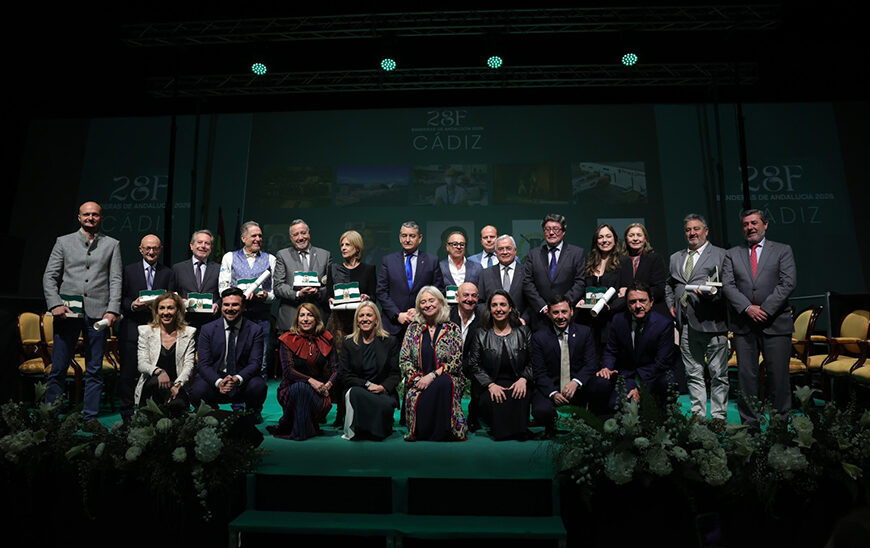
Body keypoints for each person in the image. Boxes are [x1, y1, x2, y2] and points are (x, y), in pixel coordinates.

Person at [43, 201, 122, 429]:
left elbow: (116, 279)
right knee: (58, 367)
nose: (90, 218)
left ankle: (90, 417)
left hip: (98, 314)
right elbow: (50, 276)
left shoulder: (112, 244)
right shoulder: (63, 241)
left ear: (101, 218)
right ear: (79, 217)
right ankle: (51, 416)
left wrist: (112, 309)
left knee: (95, 368)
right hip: (67, 313)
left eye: (95, 215)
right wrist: (55, 304)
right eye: (86, 214)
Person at [721, 209, 796, 429]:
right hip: (745, 325)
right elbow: (728, 285)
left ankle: (779, 426)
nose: (750, 228)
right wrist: (747, 308)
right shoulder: (732, 254)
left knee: (779, 378)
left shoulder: (783, 250)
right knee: (746, 379)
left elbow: (788, 283)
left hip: (776, 323)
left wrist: (764, 309)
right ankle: (749, 426)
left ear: (765, 225)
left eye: (754, 223)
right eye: (745, 224)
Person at [665, 214, 728, 423]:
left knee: (718, 375)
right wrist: (671, 304)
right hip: (686, 326)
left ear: (706, 231)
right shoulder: (676, 257)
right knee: (693, 374)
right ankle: (699, 418)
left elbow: (729, 286)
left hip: (713, 323)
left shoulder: (721, 255)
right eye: (688, 230)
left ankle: (718, 418)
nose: (692, 233)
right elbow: (669, 284)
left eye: (696, 229)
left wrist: (715, 295)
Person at [119, 234, 175, 422]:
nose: (151, 252)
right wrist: (133, 305)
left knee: (155, 372)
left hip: (158, 331)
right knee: (128, 373)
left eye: (155, 248)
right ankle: (127, 415)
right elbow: (121, 299)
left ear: (160, 250)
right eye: (148, 248)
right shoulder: (128, 271)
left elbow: (171, 300)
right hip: (132, 327)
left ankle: (152, 412)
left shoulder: (168, 273)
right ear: (141, 249)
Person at [324, 229, 377, 425]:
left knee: (358, 366)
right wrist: (329, 298)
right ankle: (339, 411)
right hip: (337, 324)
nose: (343, 248)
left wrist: (367, 297)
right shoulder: (334, 269)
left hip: (360, 323)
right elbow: (328, 293)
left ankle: (358, 407)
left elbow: (373, 295)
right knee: (338, 367)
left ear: (357, 248)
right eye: (342, 245)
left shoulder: (368, 269)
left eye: (347, 244)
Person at [400, 286, 467, 441]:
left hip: (447, 379)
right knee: (426, 390)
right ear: (419, 307)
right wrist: (417, 379)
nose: (427, 304)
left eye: (431, 300)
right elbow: (404, 360)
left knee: (443, 382)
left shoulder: (453, 329)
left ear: (440, 302)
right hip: (418, 382)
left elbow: (456, 361)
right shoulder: (412, 329)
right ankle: (423, 430)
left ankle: (442, 431)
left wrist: (432, 376)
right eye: (423, 302)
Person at [189, 288, 268, 418]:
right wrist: (219, 381)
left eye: (235, 305)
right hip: (216, 380)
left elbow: (255, 363)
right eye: (226, 305)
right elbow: (203, 364)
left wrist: (237, 379)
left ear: (243, 307)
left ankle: (252, 412)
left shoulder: (255, 330)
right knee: (197, 390)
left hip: (242, 381)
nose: (230, 308)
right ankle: (211, 410)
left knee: (258, 386)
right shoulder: (207, 329)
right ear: (221, 307)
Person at [530, 295, 604, 434]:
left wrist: (576, 382)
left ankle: (591, 420)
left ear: (571, 312)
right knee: (540, 411)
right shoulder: (539, 337)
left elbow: (591, 364)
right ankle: (554, 422)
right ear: (549, 314)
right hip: (553, 386)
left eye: (564, 312)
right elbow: (539, 372)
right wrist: (553, 393)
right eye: (555, 312)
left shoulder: (585, 332)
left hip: (578, 388)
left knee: (600, 385)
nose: (560, 316)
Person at [467, 290, 533, 440]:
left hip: (518, 382)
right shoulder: (481, 333)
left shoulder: (523, 331)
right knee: (497, 399)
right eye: (494, 305)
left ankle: (518, 430)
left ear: (510, 308)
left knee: (519, 396)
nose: (499, 309)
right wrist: (490, 385)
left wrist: (524, 379)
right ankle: (504, 431)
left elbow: (534, 361)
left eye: (503, 305)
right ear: (489, 309)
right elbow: (474, 365)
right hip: (490, 384)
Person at [597, 282, 675, 408]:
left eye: (642, 301)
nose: (638, 306)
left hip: (653, 377)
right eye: (632, 302)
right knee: (615, 407)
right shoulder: (618, 320)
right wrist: (606, 367)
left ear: (651, 302)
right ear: (627, 304)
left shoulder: (664, 324)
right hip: (627, 376)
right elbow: (611, 351)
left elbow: (662, 362)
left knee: (667, 383)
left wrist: (640, 388)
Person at [267, 303, 337, 440]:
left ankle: (302, 428)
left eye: (310, 315)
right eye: (302, 315)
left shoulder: (326, 338)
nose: (305, 319)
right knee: (301, 388)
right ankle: (303, 431)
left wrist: (328, 384)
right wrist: (311, 381)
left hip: (319, 392)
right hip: (291, 390)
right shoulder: (288, 339)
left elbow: (336, 368)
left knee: (304, 389)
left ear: (316, 319)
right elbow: (288, 371)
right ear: (297, 319)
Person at [219, 221, 276, 378]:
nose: (258, 239)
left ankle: (257, 400)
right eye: (254, 236)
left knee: (261, 361)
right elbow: (223, 288)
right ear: (243, 238)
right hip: (236, 317)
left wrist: (265, 295)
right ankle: (237, 401)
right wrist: (240, 295)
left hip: (261, 318)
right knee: (236, 359)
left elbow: (274, 292)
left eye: (260, 236)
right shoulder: (229, 257)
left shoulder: (270, 259)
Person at [339, 302, 400, 441]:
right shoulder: (348, 343)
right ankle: (360, 429)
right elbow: (345, 375)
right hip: (360, 389)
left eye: (369, 315)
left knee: (385, 404)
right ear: (357, 321)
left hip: (382, 390)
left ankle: (374, 428)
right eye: (361, 316)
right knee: (354, 393)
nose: (365, 319)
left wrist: (382, 387)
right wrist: (367, 384)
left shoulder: (390, 341)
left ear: (376, 320)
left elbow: (395, 374)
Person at [376, 221, 444, 336]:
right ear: (399, 238)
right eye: (404, 236)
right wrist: (397, 314)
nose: (407, 240)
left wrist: (419, 311)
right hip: (393, 325)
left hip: (423, 323)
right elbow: (381, 291)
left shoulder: (432, 261)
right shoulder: (388, 261)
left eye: (412, 236)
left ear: (420, 238)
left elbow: (439, 292)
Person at [134, 292, 195, 416]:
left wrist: (177, 385)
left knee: (177, 408)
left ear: (178, 310)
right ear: (156, 311)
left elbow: (189, 366)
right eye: (162, 308)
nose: (166, 312)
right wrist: (159, 372)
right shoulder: (145, 331)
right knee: (154, 382)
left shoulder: (189, 333)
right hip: (152, 384)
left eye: (170, 308)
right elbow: (142, 364)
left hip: (177, 384)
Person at [522, 213, 586, 329]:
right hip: (541, 317)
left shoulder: (577, 253)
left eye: (556, 229)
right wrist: (542, 306)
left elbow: (580, 282)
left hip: (568, 317)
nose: (551, 233)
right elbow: (527, 282)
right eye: (547, 229)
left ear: (563, 232)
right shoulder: (533, 254)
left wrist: (562, 306)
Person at [274, 219, 332, 332]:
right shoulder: (283, 255)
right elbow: (278, 286)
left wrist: (318, 292)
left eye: (303, 233)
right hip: (291, 319)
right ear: (291, 238)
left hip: (318, 319)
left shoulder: (325, 255)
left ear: (309, 233)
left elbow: (330, 286)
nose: (300, 237)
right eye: (295, 235)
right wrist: (297, 294)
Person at [575, 224, 625, 354]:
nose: (604, 240)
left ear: (615, 240)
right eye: (600, 237)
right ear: (596, 241)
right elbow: (584, 289)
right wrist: (581, 300)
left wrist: (610, 307)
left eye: (608, 236)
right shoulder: (589, 263)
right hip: (590, 322)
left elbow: (626, 294)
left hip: (612, 321)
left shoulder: (623, 262)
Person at [448, 281, 482, 429]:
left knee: (481, 378)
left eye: (473, 296)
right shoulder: (446, 315)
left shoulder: (484, 317)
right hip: (447, 362)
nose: (470, 299)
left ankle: (474, 418)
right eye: (465, 295)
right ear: (457, 297)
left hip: (472, 362)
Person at [172, 229, 221, 330]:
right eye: (199, 242)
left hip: (211, 322)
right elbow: (172, 292)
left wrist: (217, 304)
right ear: (191, 245)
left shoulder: (219, 269)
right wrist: (179, 301)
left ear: (211, 248)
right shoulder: (178, 268)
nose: (203, 246)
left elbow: (224, 293)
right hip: (185, 323)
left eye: (207, 243)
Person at [618, 223, 668, 317]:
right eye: (631, 235)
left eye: (639, 235)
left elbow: (659, 289)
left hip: (652, 311)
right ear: (626, 239)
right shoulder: (619, 261)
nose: (635, 238)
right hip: (625, 312)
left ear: (645, 239)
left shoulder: (655, 259)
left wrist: (632, 292)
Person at [477, 235, 529, 324]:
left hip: (520, 326)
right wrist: (490, 317)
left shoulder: (526, 272)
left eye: (508, 248)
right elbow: (480, 303)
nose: (505, 252)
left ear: (515, 251)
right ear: (496, 252)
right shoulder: (485, 274)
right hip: (492, 327)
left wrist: (524, 318)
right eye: (501, 249)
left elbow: (532, 302)